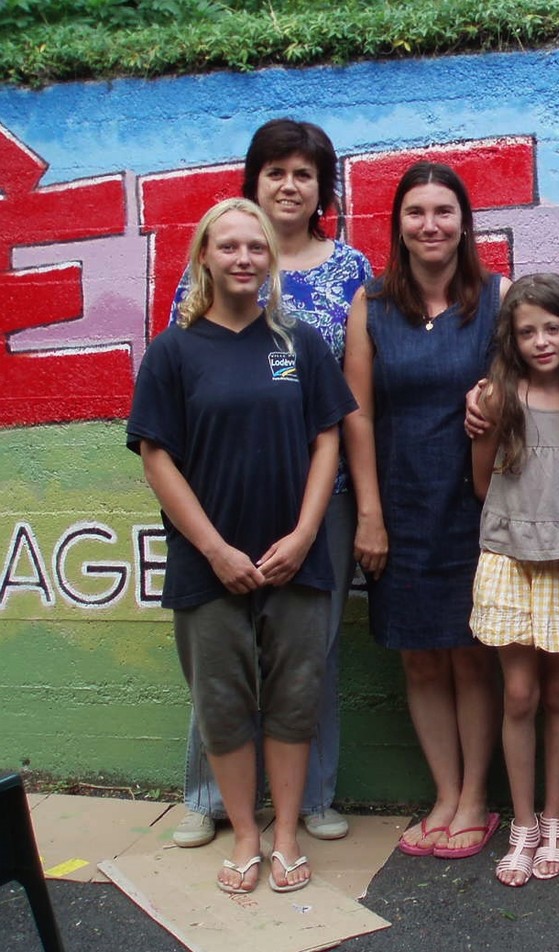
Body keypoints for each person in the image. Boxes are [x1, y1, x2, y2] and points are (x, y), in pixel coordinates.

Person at [128, 198, 355, 893]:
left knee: (294, 698)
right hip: (209, 566)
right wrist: (215, 550)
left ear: (270, 259)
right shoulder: (173, 352)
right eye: (228, 247)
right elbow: (156, 457)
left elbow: (328, 440)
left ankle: (285, 833)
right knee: (224, 704)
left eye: (255, 247)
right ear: (204, 257)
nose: (243, 259)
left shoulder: (298, 343)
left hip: (296, 561)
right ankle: (246, 837)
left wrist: (305, 534)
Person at [168, 118, 373, 849]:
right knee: (219, 645)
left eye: (305, 173)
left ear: (322, 188)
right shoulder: (208, 270)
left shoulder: (348, 268)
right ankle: (207, 798)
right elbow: (181, 400)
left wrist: (364, 505)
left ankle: (311, 799)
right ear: (252, 181)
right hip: (225, 501)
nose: (290, 185)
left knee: (306, 651)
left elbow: (351, 401)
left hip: (324, 495)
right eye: (276, 171)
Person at [343, 162, 509, 860]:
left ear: (464, 224)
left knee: (470, 660)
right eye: (416, 212)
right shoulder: (371, 306)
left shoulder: (495, 299)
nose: (430, 224)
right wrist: (370, 514)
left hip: (473, 508)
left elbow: (522, 393)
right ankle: (444, 793)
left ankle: (476, 799)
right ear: (398, 226)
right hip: (400, 507)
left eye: (444, 211)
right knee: (418, 661)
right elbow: (355, 415)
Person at [470, 273, 559, 886]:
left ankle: (557, 820)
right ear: (512, 338)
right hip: (508, 557)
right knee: (519, 695)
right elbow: (482, 481)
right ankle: (522, 822)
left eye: (553, 328)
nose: (542, 341)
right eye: (528, 331)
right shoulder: (497, 397)